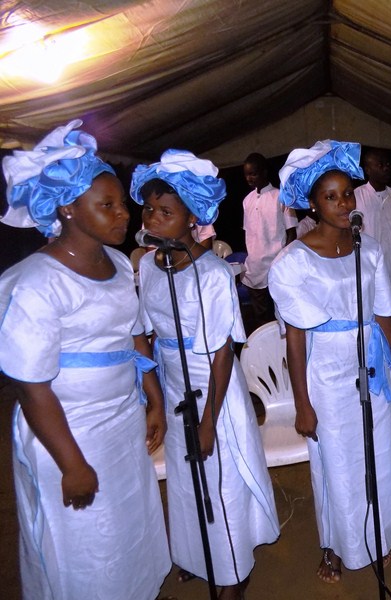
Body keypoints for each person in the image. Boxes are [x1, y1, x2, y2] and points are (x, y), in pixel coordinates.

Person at [0, 120, 170, 599]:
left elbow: (134, 336)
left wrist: (153, 399)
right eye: (107, 205)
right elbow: (31, 386)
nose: (124, 214)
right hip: (68, 432)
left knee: (128, 528)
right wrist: (72, 464)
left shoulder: (116, 263)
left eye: (122, 204)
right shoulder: (35, 282)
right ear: (68, 208)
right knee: (86, 545)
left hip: (121, 422)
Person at [131, 150, 281, 599]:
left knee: (221, 479)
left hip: (213, 388)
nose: (154, 219)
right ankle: (197, 555)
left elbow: (221, 354)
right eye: (150, 210)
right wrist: (154, 400)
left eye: (166, 212)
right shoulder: (147, 267)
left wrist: (210, 422)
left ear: (193, 216)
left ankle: (232, 569)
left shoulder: (213, 273)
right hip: (172, 382)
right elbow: (142, 335)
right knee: (185, 480)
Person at [268, 140, 391, 584]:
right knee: (336, 464)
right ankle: (335, 544)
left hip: (372, 368)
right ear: (312, 204)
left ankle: (376, 537)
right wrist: (302, 403)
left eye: (347, 194)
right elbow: (295, 339)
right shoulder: (293, 263)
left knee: (378, 453)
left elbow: (382, 313)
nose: (344, 204)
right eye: (331, 196)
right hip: (326, 374)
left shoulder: (370, 249)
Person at [241, 152, 298, 329]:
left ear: (264, 172)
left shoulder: (281, 196)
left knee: (282, 315)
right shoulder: (247, 200)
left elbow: (291, 233)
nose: (249, 178)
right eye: (247, 174)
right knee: (262, 321)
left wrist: (282, 261)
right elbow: (249, 233)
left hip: (276, 266)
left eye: (253, 173)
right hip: (255, 268)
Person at [355, 147, 391, 305]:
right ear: (368, 170)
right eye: (380, 165)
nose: (386, 168)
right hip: (368, 269)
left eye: (388, 164)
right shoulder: (357, 196)